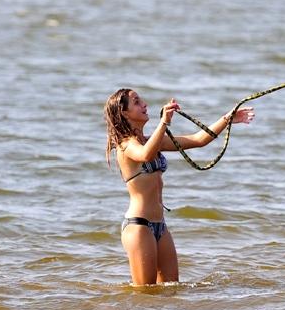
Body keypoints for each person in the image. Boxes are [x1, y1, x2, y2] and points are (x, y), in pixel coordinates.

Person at [103, 88, 255, 285]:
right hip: (139, 226)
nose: (144, 104)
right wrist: (164, 122)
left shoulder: (151, 141)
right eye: (137, 102)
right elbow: (145, 155)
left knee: (171, 289)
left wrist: (228, 119)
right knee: (144, 294)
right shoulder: (125, 145)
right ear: (124, 112)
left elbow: (199, 140)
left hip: (160, 226)